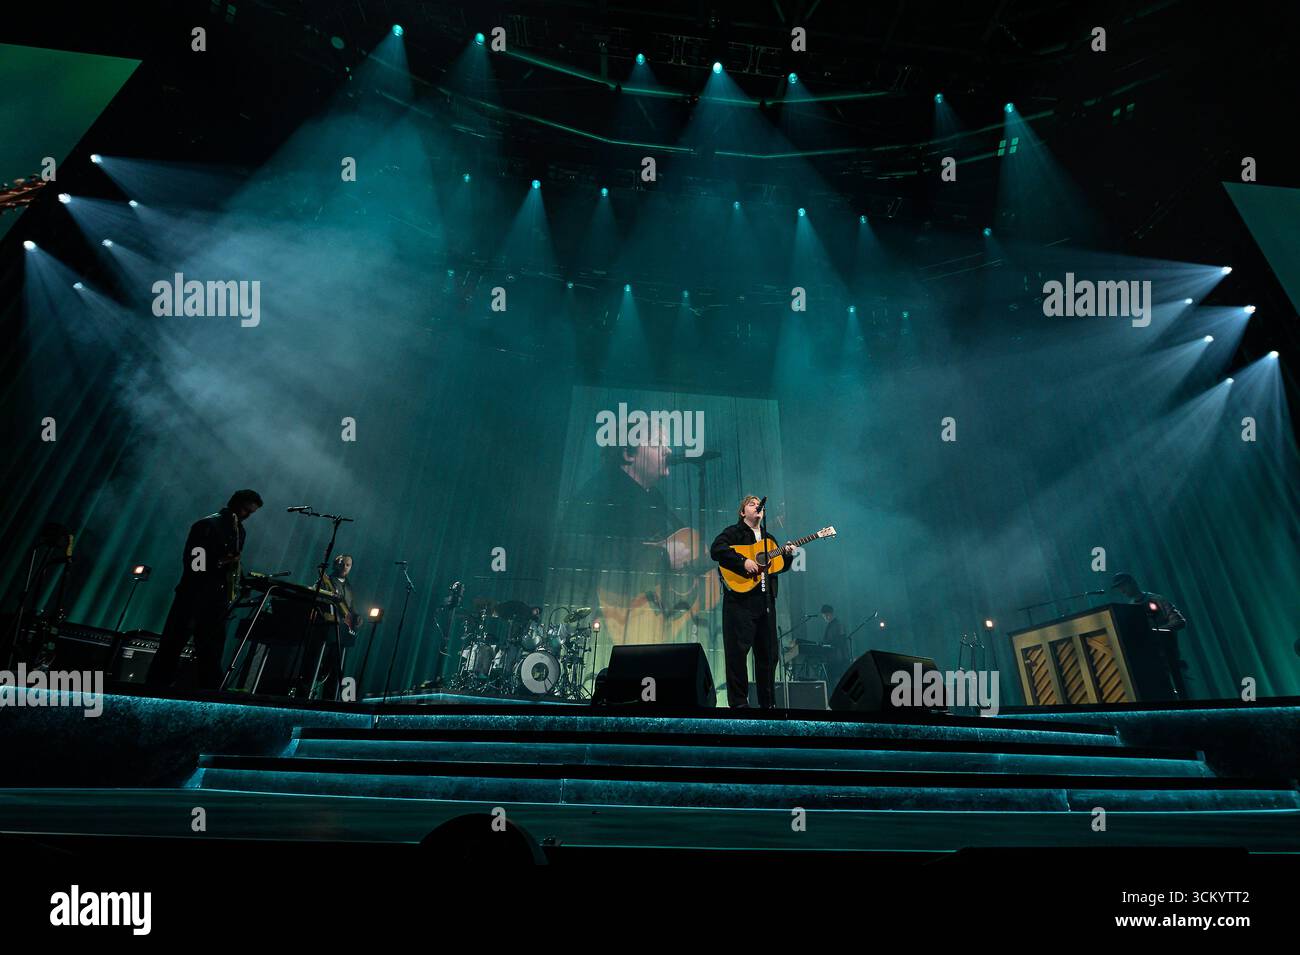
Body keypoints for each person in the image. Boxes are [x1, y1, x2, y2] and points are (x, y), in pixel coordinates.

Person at [147, 489, 262, 691]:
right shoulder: (208, 525)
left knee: (211, 651)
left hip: (216, 600)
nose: (247, 516)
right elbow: (194, 563)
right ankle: (154, 689)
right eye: (245, 510)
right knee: (172, 646)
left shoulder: (239, 531)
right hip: (193, 597)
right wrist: (220, 561)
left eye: (251, 513)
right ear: (235, 504)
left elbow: (233, 562)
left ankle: (209, 696)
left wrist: (242, 580)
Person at [710, 495, 795, 708]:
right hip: (739, 602)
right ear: (742, 512)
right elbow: (716, 549)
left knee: (769, 654)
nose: (757, 506)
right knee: (737, 654)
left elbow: (778, 567)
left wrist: (788, 556)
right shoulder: (733, 532)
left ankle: (768, 705)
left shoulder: (770, 539)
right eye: (751, 504)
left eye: (759, 505)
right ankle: (739, 704)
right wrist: (743, 561)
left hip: (765, 601)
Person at [1110, 572, 1190, 698]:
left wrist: (1154, 632)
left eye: (1123, 585)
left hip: (1169, 659)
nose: (1122, 590)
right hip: (1150, 664)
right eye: (1119, 587)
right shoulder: (1129, 608)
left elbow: (1179, 622)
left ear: (1132, 582)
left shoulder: (1157, 600)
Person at [820, 604, 851, 682]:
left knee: (840, 681)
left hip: (840, 659)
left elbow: (841, 640)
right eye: (824, 616)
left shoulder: (838, 624)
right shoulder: (830, 626)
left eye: (827, 615)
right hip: (832, 659)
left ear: (831, 613)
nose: (826, 617)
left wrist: (828, 644)